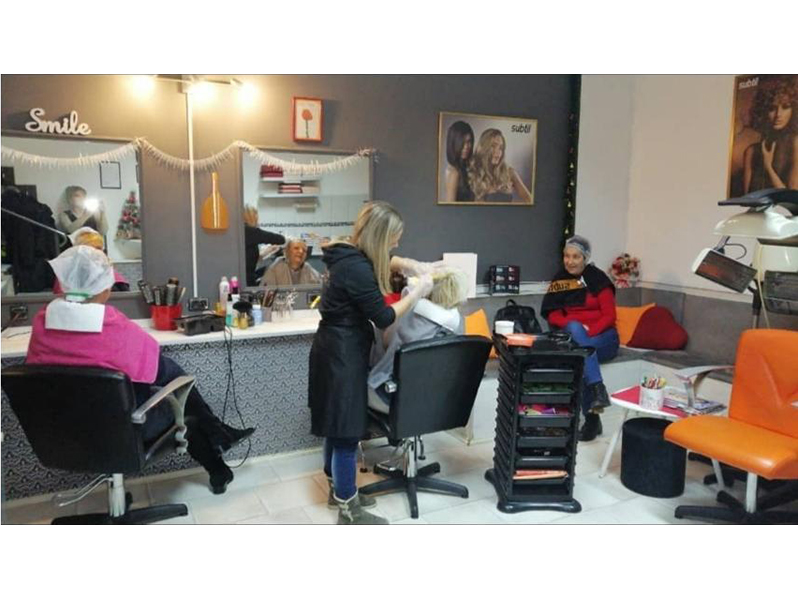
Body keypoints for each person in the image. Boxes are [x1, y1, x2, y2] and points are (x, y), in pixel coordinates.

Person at [25, 246, 254, 494]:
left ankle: (219, 448)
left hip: (60, 430)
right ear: (104, 287)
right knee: (180, 395)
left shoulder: (43, 320)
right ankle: (217, 438)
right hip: (121, 430)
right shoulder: (109, 323)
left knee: (167, 390)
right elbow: (159, 368)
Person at [308, 201, 439, 525]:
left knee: (336, 427)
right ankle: (348, 510)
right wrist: (417, 293)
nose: (397, 242)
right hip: (341, 355)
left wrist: (408, 264)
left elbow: (382, 259)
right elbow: (382, 317)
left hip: (335, 349)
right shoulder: (357, 269)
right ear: (380, 236)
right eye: (394, 237)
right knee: (346, 433)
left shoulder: (347, 254)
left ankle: (339, 491)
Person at [540, 235, 618, 442]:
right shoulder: (560, 280)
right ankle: (597, 391)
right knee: (579, 352)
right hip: (576, 337)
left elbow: (609, 316)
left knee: (579, 351)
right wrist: (576, 328)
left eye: (575, 257)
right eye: (566, 256)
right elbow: (552, 314)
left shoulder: (599, 280)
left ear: (585, 258)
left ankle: (592, 421)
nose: (570, 261)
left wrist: (585, 332)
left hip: (604, 338)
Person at [367, 268, 468, 414]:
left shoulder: (410, 317)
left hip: (392, 398)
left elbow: (386, 341)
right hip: (439, 401)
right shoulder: (458, 325)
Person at [743, 77, 798, 194]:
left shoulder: (795, 144)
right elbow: (746, 200)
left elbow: (793, 199)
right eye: (772, 108)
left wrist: (768, 166)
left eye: (785, 107)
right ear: (763, 112)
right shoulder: (751, 151)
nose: (778, 114)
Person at [51, 227, 129, 293]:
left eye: (98, 249)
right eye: (89, 249)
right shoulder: (66, 274)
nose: (94, 253)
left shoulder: (111, 274)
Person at [467, 128, 532, 203]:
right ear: (484, 147)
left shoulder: (509, 173)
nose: (498, 152)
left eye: (501, 148)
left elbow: (529, 199)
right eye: (493, 146)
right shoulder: (473, 173)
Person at [243, 206, 285, 286]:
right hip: (246, 280)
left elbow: (248, 257)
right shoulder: (248, 230)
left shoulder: (245, 232)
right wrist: (288, 239)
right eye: (256, 216)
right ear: (250, 217)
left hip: (248, 276)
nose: (257, 219)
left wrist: (267, 251)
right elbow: (278, 239)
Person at [444, 121, 475, 202]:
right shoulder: (454, 173)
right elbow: (450, 207)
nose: (466, 147)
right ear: (453, 143)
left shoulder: (463, 169)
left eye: (469, 141)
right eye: (462, 142)